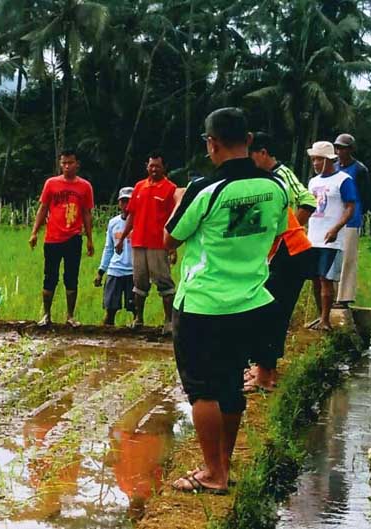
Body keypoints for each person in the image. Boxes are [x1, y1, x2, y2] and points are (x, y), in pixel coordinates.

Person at [166, 108, 288, 495]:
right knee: (231, 382)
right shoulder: (275, 187)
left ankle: (212, 472)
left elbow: (170, 239)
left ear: (211, 143)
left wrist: (181, 199)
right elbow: (277, 233)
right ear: (249, 140)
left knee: (202, 389)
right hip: (251, 300)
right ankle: (224, 465)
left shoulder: (206, 189)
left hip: (203, 303)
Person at [245, 132, 316, 391]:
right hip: (288, 251)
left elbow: (307, 203)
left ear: (261, 153)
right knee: (271, 312)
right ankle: (264, 369)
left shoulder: (274, 181)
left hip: (290, 252)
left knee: (269, 313)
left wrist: (290, 230)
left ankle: (265, 375)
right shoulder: (263, 182)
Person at [29, 149, 95, 328]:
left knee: (71, 277)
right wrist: (35, 232)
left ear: (77, 164)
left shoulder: (85, 187)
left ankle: (70, 316)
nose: (67, 166)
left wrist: (89, 239)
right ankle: (46, 315)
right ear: (60, 164)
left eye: (70, 163)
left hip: (73, 237)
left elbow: (87, 213)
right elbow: (43, 209)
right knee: (50, 277)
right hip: (52, 238)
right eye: (64, 163)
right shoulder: (51, 184)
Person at [116, 152, 177, 333]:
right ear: (146, 166)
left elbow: (174, 219)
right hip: (138, 242)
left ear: (164, 167)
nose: (153, 169)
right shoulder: (139, 187)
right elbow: (132, 215)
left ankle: (169, 321)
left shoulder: (170, 188)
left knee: (164, 283)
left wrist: (172, 246)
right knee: (139, 283)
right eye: (151, 166)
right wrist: (121, 239)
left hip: (158, 244)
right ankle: (138, 318)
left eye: (157, 166)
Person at [307, 141, 356, 331]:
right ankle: (320, 316)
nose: (315, 163)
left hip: (331, 239)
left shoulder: (343, 180)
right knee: (314, 278)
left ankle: (326, 319)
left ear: (328, 160)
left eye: (319, 159)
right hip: (313, 236)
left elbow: (350, 207)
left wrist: (336, 228)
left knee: (326, 279)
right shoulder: (313, 182)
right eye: (313, 160)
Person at [333, 133, 369, 307]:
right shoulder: (333, 167)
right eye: (337, 148)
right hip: (334, 218)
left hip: (352, 218)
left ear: (351, 150)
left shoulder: (359, 170)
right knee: (333, 257)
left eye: (343, 148)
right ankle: (331, 295)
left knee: (348, 258)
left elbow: (364, 195)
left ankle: (345, 297)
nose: (339, 151)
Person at [95, 187, 135, 326]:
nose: (126, 205)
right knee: (110, 309)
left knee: (135, 309)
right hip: (115, 270)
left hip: (133, 271)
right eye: (123, 201)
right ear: (119, 203)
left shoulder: (140, 222)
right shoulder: (113, 223)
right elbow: (109, 248)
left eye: (129, 201)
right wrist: (101, 271)